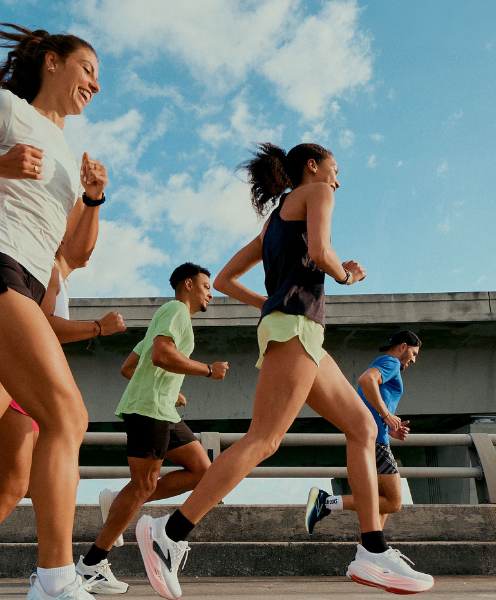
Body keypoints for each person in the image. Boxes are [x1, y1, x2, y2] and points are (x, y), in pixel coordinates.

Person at [133, 143, 434, 597]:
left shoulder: (274, 221)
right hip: (295, 330)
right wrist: (346, 274)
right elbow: (321, 249)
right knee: (263, 440)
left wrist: (270, 304)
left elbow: (229, 279)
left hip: (299, 331)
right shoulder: (316, 193)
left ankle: (372, 550)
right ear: (312, 167)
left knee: (361, 428)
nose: (337, 180)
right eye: (334, 170)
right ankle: (169, 534)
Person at [0, 23, 107, 600]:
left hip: (27, 281)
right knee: (67, 417)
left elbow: (74, 255)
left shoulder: (68, 154)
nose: (95, 84)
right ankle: (55, 580)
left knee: (12, 475)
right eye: (87, 68)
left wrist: (91, 198)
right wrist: (2, 166)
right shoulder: (7, 110)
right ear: (50, 61)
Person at [76, 263, 229, 594]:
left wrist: (170, 391)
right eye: (206, 286)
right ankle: (91, 565)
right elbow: (161, 355)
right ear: (187, 285)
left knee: (203, 469)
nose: (210, 294)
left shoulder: (163, 320)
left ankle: (117, 500)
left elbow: (130, 366)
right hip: (149, 412)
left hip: (161, 409)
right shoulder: (175, 311)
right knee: (143, 486)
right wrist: (207, 370)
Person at [0, 245, 126, 525]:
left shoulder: (55, 275)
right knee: (18, 485)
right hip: (20, 375)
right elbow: (41, 323)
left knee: (24, 485)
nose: (90, 243)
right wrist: (97, 327)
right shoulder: (48, 268)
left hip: (29, 379)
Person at [305, 330, 421, 542]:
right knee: (393, 502)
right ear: (402, 347)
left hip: (377, 437)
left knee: (380, 501)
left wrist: (389, 427)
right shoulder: (391, 362)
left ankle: (368, 553)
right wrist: (386, 415)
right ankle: (325, 502)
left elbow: (369, 396)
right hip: (376, 442)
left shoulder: (383, 362)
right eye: (414, 353)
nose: (413, 360)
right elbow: (367, 381)